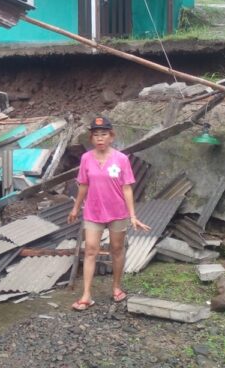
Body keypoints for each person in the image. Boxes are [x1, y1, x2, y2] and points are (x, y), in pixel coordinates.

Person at [67, 115, 150, 311]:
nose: (100, 138)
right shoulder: (86, 158)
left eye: (104, 134)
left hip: (117, 212)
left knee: (117, 249)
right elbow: (83, 186)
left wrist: (133, 216)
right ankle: (86, 295)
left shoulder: (121, 159)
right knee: (90, 250)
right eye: (96, 135)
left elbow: (127, 188)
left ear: (111, 137)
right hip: (93, 211)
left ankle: (116, 287)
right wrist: (75, 208)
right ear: (91, 138)